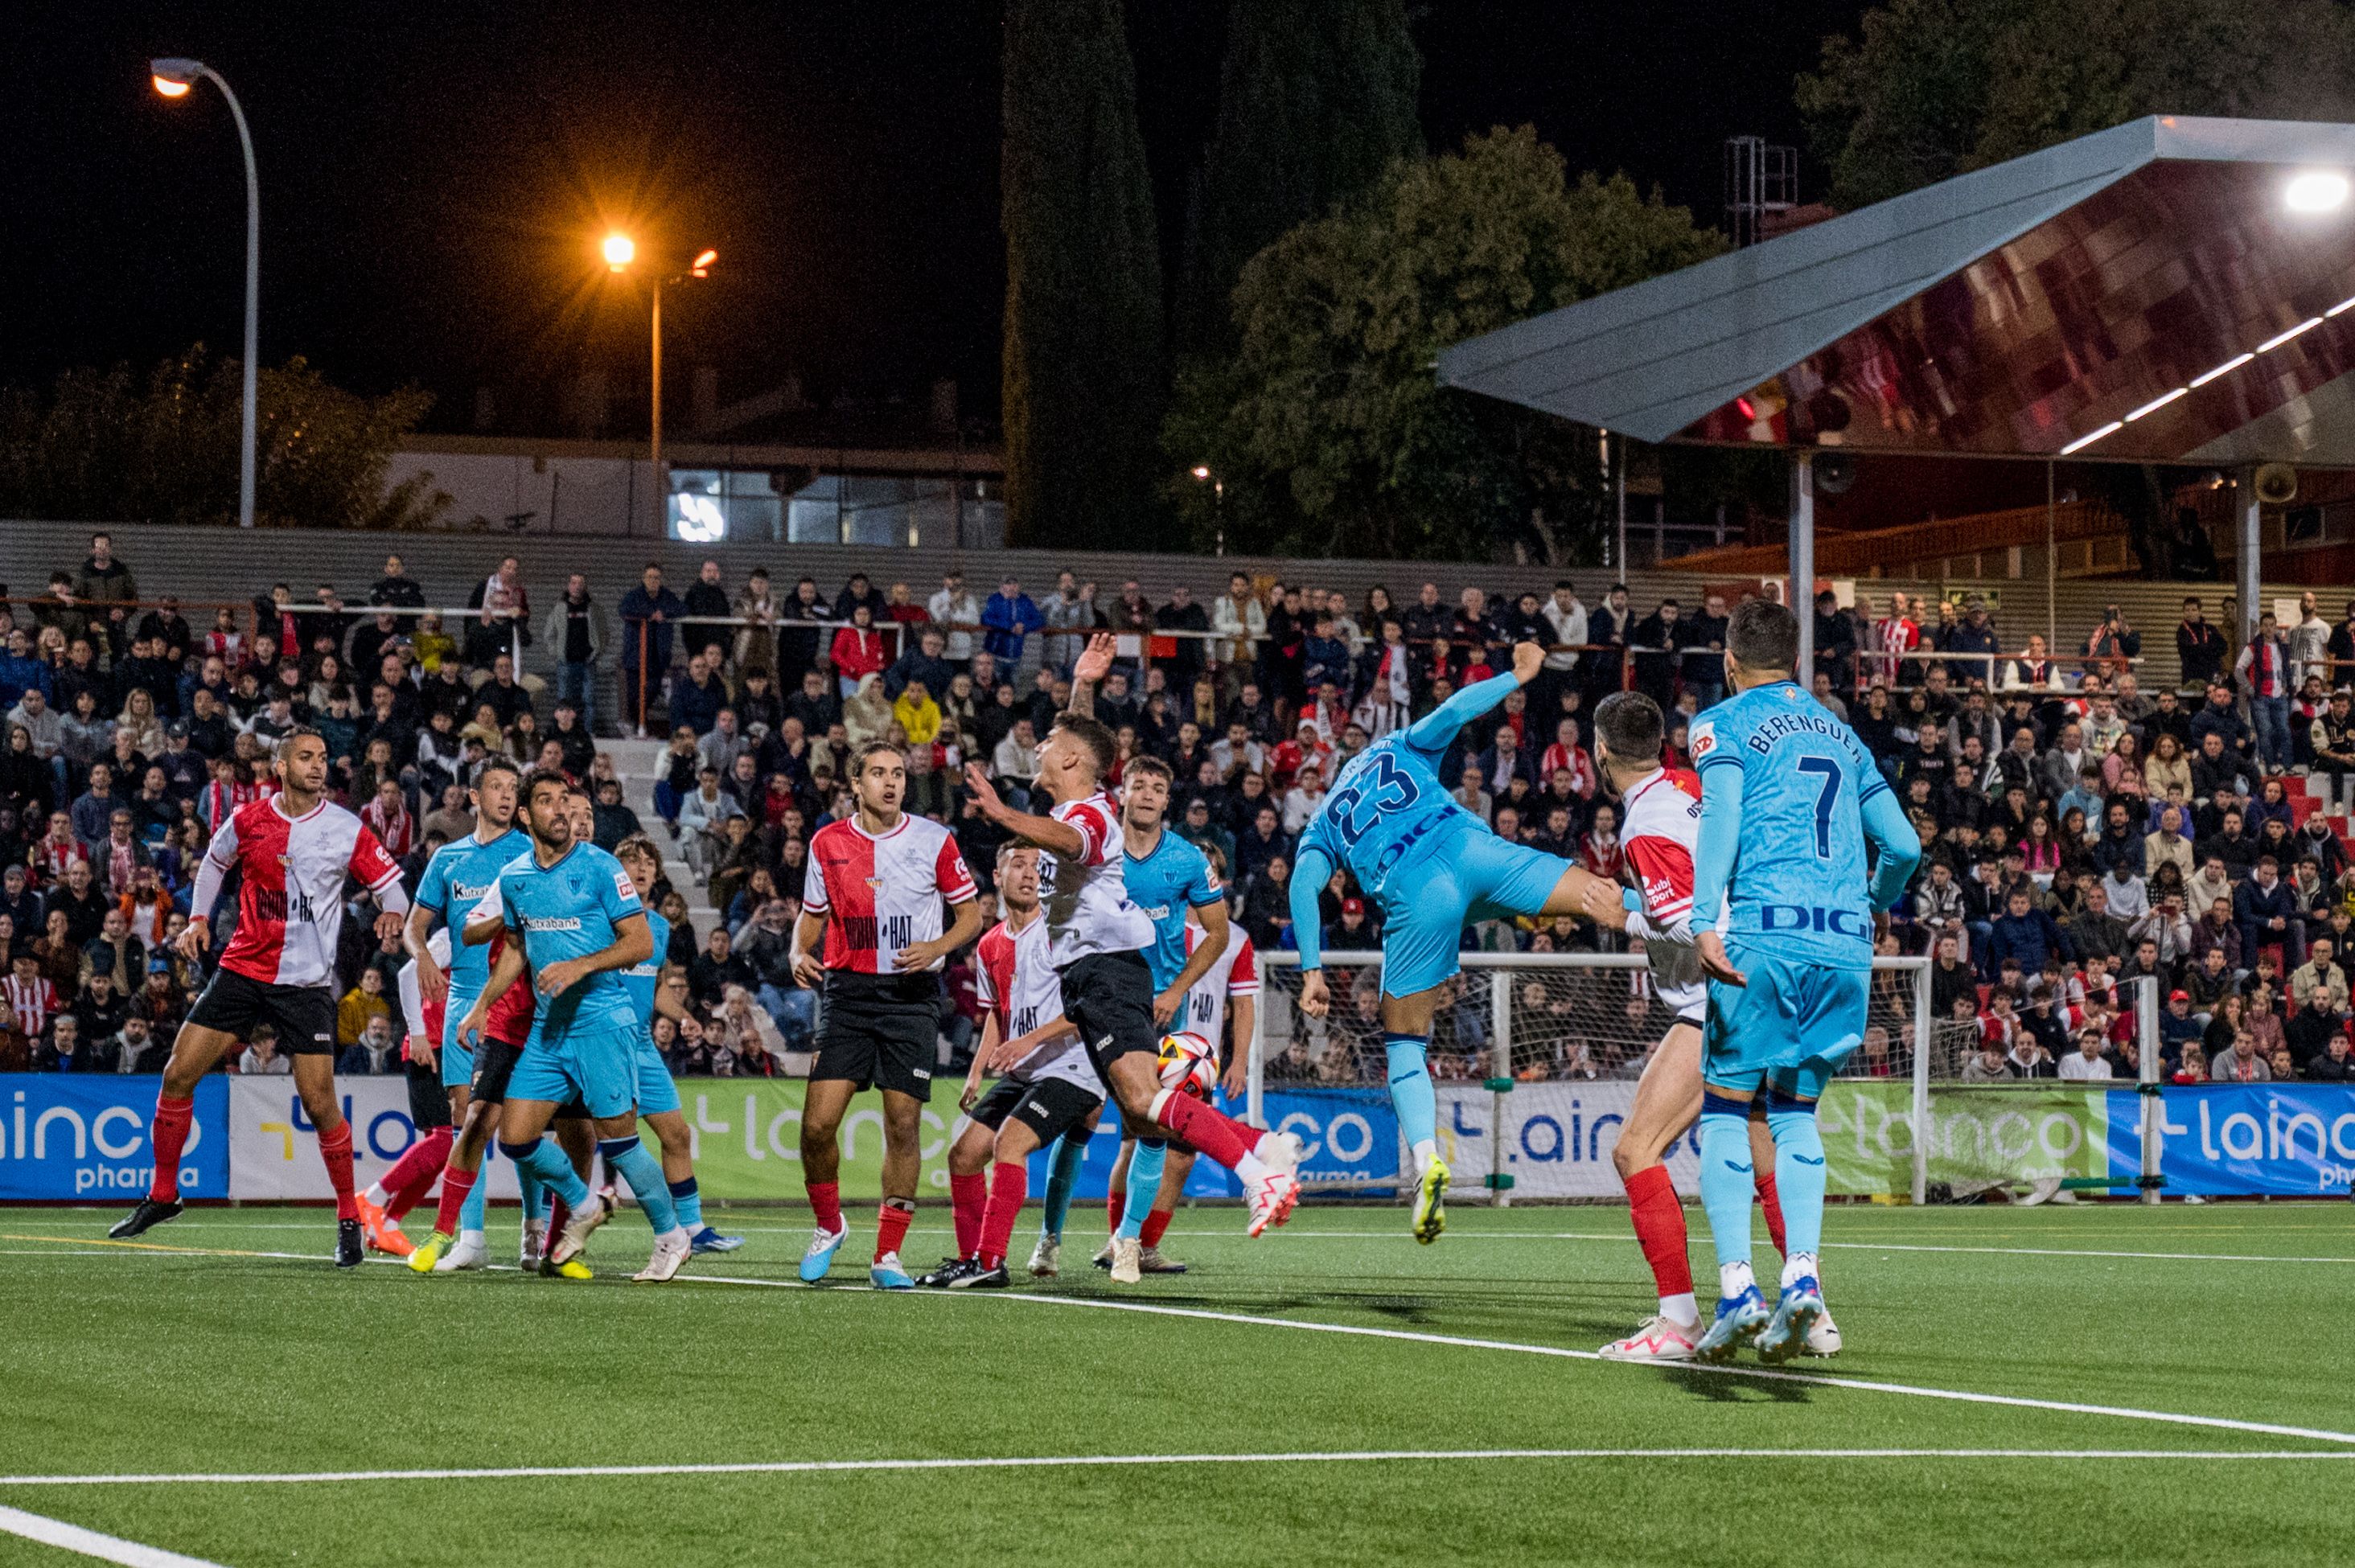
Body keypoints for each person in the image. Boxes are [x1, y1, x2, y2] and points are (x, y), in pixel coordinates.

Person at [962, 633, 1304, 1246]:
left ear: (1065, 762)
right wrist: (1085, 685)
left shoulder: (1085, 819)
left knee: (1146, 1102)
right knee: (1142, 1108)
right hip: (1094, 980)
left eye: (1047, 745)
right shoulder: (1086, 797)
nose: (1039, 748)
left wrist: (1004, 815)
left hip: (1110, 974)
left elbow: (1071, 840)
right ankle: (1259, 1158)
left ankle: (1258, 1171)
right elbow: (1083, 747)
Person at [1289, 638, 1616, 1244]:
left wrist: (1312, 970)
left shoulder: (1325, 819)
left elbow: (1304, 890)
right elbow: (1454, 713)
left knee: (1404, 1041)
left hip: (1418, 896)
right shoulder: (1392, 749)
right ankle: (1695, 925)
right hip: (1474, 852)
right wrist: (1514, 675)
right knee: (1602, 898)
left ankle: (1424, 1163)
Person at [1685, 598, 1920, 1363]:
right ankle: (1805, 1277)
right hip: (1844, 947)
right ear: (1796, 660)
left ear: (1730, 656)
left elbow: (1719, 817)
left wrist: (1703, 919)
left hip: (1763, 935)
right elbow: (1905, 846)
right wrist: (1870, 905)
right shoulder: (1845, 737)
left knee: (1724, 1110)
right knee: (1794, 1114)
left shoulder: (1723, 725)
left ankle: (1735, 1288)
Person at [1577, 692, 1831, 1363]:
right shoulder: (1690, 785)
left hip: (1714, 998)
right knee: (1761, 1141)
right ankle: (1811, 1309)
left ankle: (1678, 1321)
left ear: (1601, 752)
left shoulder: (1644, 825)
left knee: (1636, 1148)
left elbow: (1689, 918)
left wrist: (1620, 916)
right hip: (1775, 973)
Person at [109, 731, 410, 1265]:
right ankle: (162, 1195)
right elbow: (213, 864)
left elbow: (391, 884)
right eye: (306, 757)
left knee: (320, 1105)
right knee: (179, 1074)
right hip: (244, 971)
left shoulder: (345, 828)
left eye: (322, 758)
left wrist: (391, 910)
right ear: (281, 765)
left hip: (306, 985)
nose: (318, 767)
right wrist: (199, 918)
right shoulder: (248, 819)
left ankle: (348, 1217)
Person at [448, 768, 690, 1283]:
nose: (560, 811)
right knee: (515, 1137)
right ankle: (583, 1204)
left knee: (620, 1140)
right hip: (548, 1028)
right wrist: (483, 1005)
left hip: (603, 1022)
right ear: (525, 815)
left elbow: (640, 944)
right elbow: (517, 948)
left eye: (565, 801)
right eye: (547, 801)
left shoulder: (601, 867)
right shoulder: (515, 878)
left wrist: (580, 966)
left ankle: (672, 1237)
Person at [790, 741, 984, 1289]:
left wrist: (937, 947)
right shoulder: (827, 843)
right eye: (878, 773)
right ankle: (830, 1226)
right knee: (816, 1126)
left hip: (912, 995)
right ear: (857, 783)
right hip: (848, 994)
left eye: (898, 773)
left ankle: (888, 1255)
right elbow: (811, 917)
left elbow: (970, 915)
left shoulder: (934, 839)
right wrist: (794, 951)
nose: (891, 782)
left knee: (903, 1125)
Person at [1039, 753, 1230, 1284]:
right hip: (1102, 1000)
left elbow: (1218, 931)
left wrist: (1175, 990)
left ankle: (1135, 1242)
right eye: (1138, 785)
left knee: (1173, 1141)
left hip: (1166, 1012)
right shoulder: (1099, 851)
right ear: (1122, 793)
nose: (1146, 795)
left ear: (1167, 800)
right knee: (1088, 1121)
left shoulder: (1188, 860)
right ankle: (1063, 1239)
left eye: (1157, 787)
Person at [920, 842, 1108, 1289]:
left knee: (1009, 1145)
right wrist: (976, 1070)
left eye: (1037, 867)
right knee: (963, 1156)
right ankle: (971, 1259)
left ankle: (991, 1259)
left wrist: (1028, 1041)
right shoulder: (989, 945)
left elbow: (1088, 1009)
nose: (1028, 874)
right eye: (1018, 865)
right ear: (997, 876)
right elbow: (996, 1016)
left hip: (1074, 1068)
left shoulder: (1061, 931)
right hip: (1025, 1073)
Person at [391, 758, 531, 1270]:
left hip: (517, 999)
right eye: (496, 787)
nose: (506, 796)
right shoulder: (447, 858)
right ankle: (471, 1239)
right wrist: (423, 955)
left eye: (513, 789)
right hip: (461, 1002)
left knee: (525, 1123)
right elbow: (414, 926)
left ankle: (532, 1232)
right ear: (474, 797)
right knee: (462, 1119)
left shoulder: (528, 851)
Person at [614, 834, 742, 1255]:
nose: (642, 867)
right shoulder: (600, 918)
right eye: (633, 861)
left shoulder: (657, 927)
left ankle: (693, 1227)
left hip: (641, 1046)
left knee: (677, 1134)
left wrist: (687, 1017)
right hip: (603, 1044)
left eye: (649, 861)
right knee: (584, 1139)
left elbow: (653, 990)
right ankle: (543, 1224)